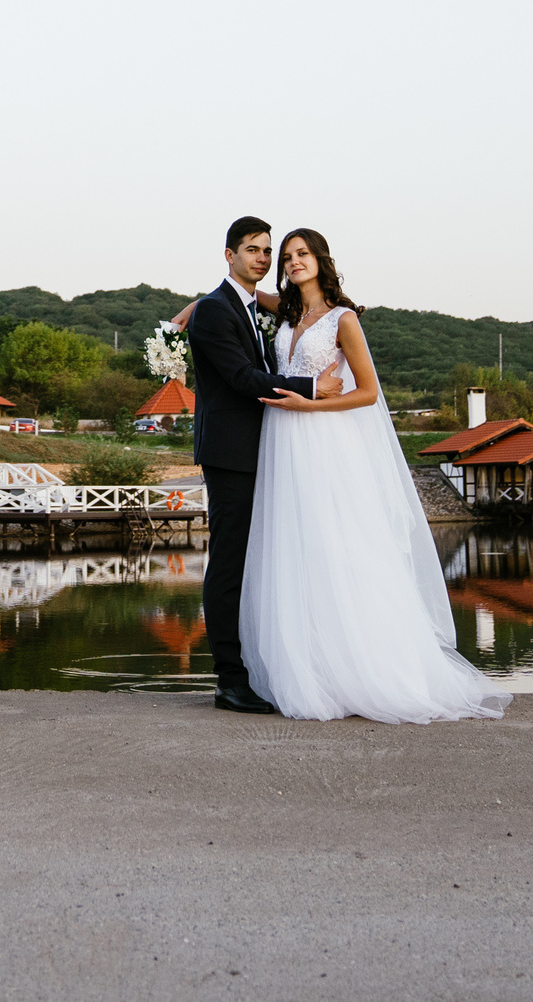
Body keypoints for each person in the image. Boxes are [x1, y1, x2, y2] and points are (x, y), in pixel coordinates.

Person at [241, 228, 509, 723]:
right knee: (298, 550)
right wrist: (194, 309)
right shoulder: (286, 313)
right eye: (287, 256)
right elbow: (243, 291)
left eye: (302, 254)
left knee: (341, 547)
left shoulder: (343, 319)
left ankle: (373, 672)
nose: (294, 261)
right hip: (284, 443)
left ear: (321, 259)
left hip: (323, 441)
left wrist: (309, 403)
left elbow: (367, 392)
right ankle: (314, 672)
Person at [179, 216, 330, 713]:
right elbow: (244, 378)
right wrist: (311, 389)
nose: (263, 259)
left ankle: (260, 667)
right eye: (253, 249)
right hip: (229, 454)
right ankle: (229, 679)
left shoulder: (245, 307)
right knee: (228, 564)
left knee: (256, 562)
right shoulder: (216, 311)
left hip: (259, 451)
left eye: (269, 251)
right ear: (229, 255)